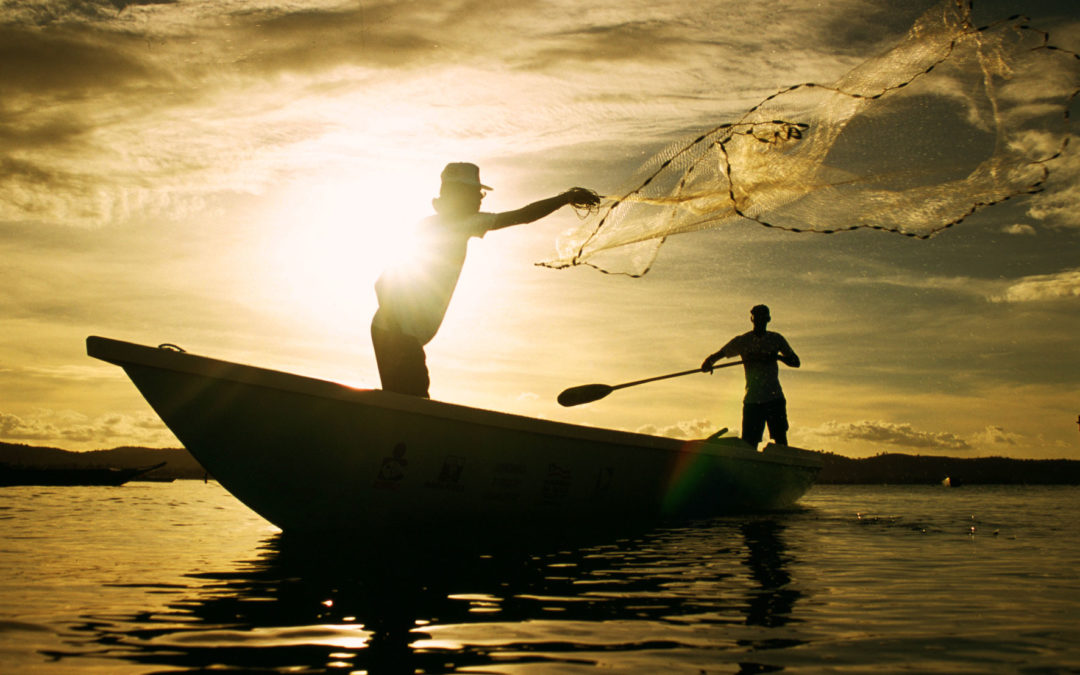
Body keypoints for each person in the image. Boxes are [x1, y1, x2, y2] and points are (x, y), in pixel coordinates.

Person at [371, 162, 600, 397]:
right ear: (460, 195)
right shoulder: (455, 225)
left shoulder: (447, 224)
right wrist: (565, 198)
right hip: (395, 334)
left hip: (393, 331)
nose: (481, 200)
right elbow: (523, 216)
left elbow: (383, 283)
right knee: (413, 402)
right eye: (477, 193)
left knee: (403, 399)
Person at [701, 304, 800, 446]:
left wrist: (777, 357)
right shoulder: (743, 341)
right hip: (753, 400)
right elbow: (719, 354)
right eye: (757, 317)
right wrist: (708, 362)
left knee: (780, 440)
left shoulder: (776, 339)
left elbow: (796, 362)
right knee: (749, 443)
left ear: (768, 319)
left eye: (763, 317)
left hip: (774, 398)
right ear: (752, 319)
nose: (760, 320)